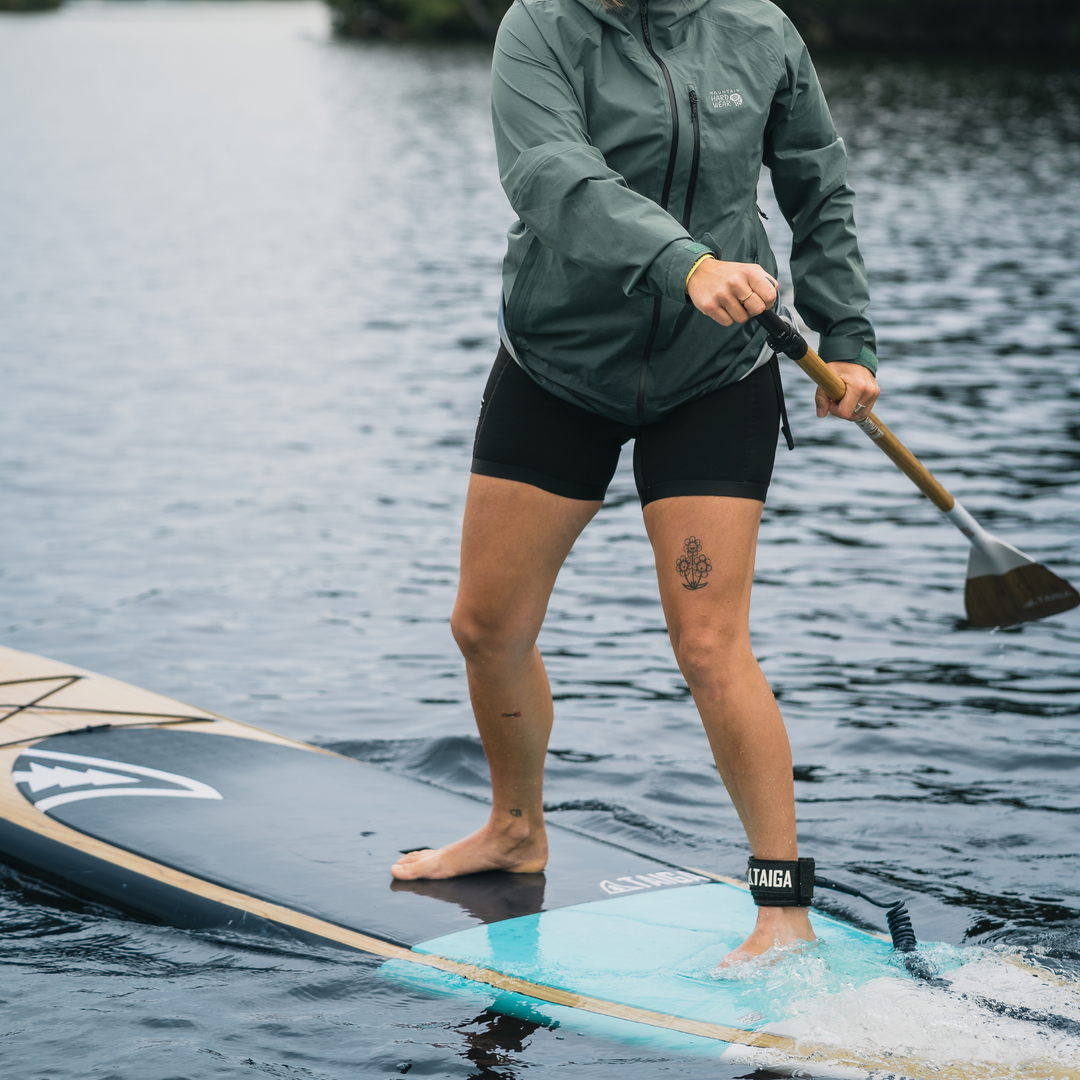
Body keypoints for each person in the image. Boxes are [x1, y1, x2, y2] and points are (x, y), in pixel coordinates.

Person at [392, 0, 880, 964]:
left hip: (717, 373)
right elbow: (549, 177)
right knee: (487, 628)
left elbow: (816, 183)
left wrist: (848, 333)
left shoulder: (758, 30)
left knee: (709, 643)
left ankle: (782, 909)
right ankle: (515, 830)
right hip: (558, 365)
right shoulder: (539, 26)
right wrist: (684, 260)